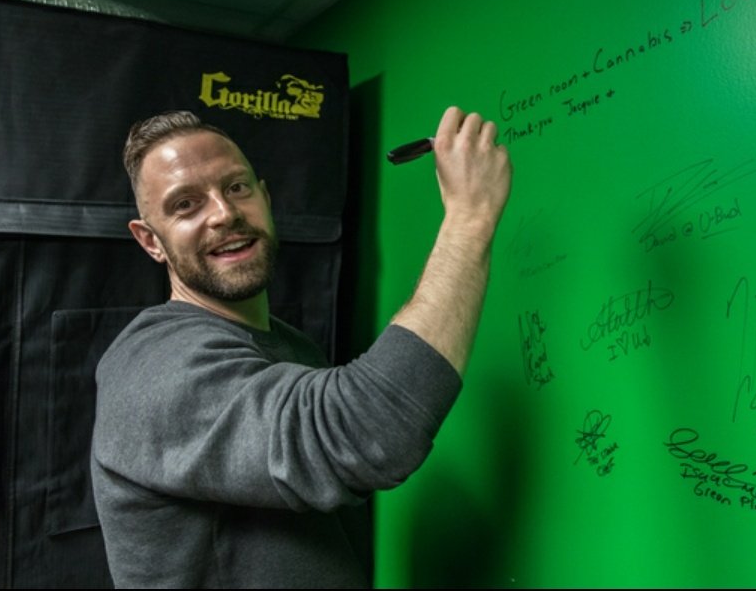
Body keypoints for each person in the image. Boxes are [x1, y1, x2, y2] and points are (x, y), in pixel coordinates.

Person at [90, 106, 511, 588]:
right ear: (151, 242)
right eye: (186, 204)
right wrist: (470, 218)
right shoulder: (152, 366)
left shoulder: (290, 346)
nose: (224, 213)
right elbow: (365, 433)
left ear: (265, 198)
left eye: (236, 187)